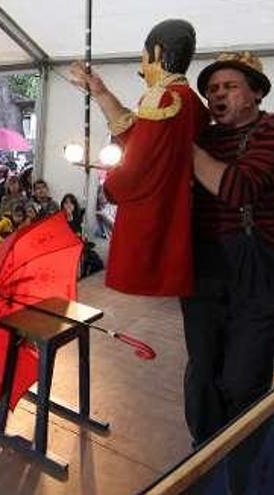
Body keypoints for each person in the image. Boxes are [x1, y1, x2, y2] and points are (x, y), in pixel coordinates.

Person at [182, 52, 274, 445]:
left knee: (242, 378)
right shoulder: (204, 136)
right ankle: (203, 460)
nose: (218, 94)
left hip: (260, 266)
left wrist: (183, 147)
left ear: (255, 92)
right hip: (205, 264)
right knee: (202, 375)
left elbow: (239, 188)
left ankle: (241, 463)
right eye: (212, 89)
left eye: (229, 86)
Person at [69, 19, 209, 296]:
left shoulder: (163, 97)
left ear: (156, 52)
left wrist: (111, 187)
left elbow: (140, 163)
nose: (142, 68)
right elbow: (139, 137)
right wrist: (101, 92)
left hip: (152, 214)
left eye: (143, 58)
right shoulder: (190, 100)